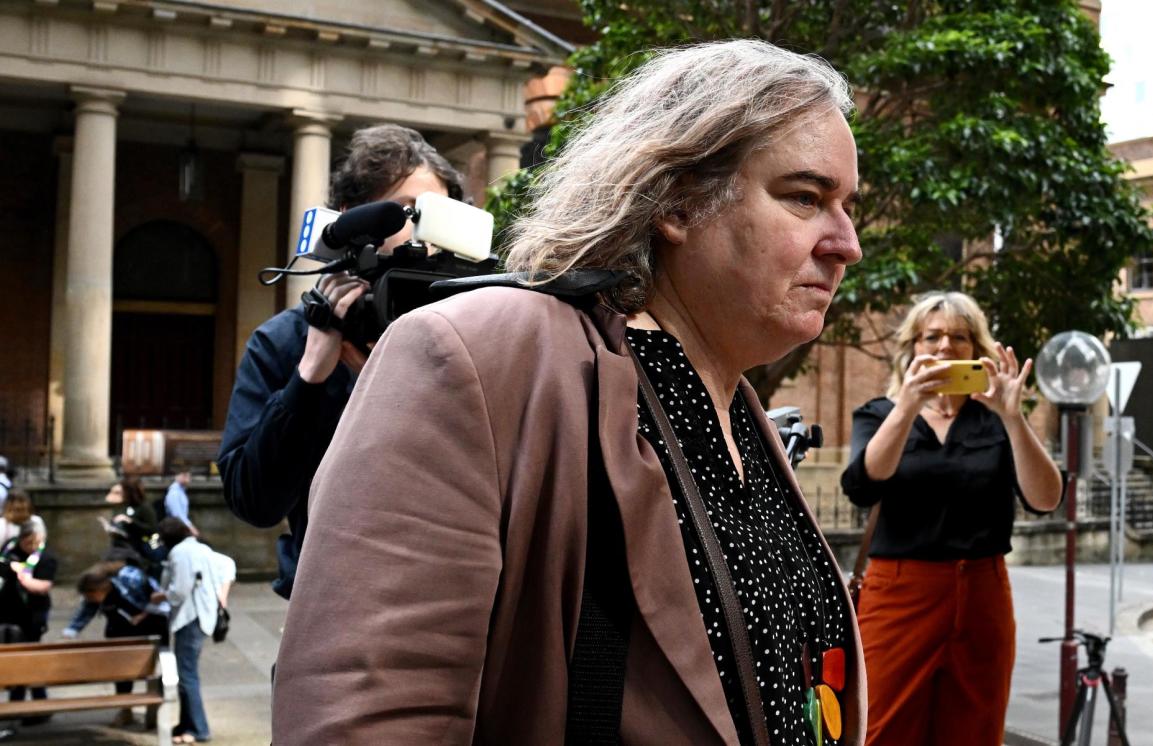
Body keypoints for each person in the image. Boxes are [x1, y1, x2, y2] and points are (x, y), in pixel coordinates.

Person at [274, 39, 866, 743]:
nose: (847, 243)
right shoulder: (475, 356)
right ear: (677, 200)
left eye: (848, 206)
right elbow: (369, 716)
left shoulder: (740, 411)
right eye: (805, 197)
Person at [217, 123, 465, 599]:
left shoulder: (469, 323)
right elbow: (254, 501)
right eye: (408, 213)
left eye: (439, 214)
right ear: (353, 221)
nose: (426, 233)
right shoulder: (285, 342)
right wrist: (309, 376)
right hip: (331, 601)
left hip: (450, 598)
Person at [839, 291, 1063, 745]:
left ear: (977, 351)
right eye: (933, 336)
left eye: (959, 337)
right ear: (914, 348)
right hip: (900, 591)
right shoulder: (880, 413)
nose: (945, 347)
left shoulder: (997, 419)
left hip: (982, 591)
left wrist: (1014, 417)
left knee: (976, 729)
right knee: (883, 727)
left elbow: (1045, 499)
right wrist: (906, 405)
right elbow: (861, 485)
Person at [67, 560, 171, 728]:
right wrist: (70, 632)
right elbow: (86, 610)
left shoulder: (130, 578)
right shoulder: (95, 593)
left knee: (156, 670)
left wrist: (144, 614)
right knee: (122, 672)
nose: (91, 600)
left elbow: (159, 597)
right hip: (120, 629)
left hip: (151, 627)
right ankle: (125, 710)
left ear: (99, 588)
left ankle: (154, 713)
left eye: (90, 596)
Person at [155, 518, 225, 744]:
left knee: (186, 676)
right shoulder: (201, 548)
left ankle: (198, 728)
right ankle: (187, 724)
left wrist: (162, 595)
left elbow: (180, 591)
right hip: (203, 616)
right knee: (188, 673)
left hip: (190, 618)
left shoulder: (180, 553)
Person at [0, 521, 57, 712]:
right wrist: (10, 567)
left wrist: (24, 578)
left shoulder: (46, 557)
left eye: (35, 542)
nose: (31, 547)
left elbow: (44, 586)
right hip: (8, 613)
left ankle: (38, 703)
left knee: (31, 658)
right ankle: (18, 702)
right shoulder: (9, 550)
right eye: (27, 543)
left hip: (33, 615)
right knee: (15, 657)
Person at [163, 471, 196, 536]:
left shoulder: (181, 491)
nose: (187, 478)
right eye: (184, 475)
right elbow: (177, 514)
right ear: (177, 476)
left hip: (179, 527)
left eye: (188, 476)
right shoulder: (174, 493)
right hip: (175, 529)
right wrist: (190, 527)